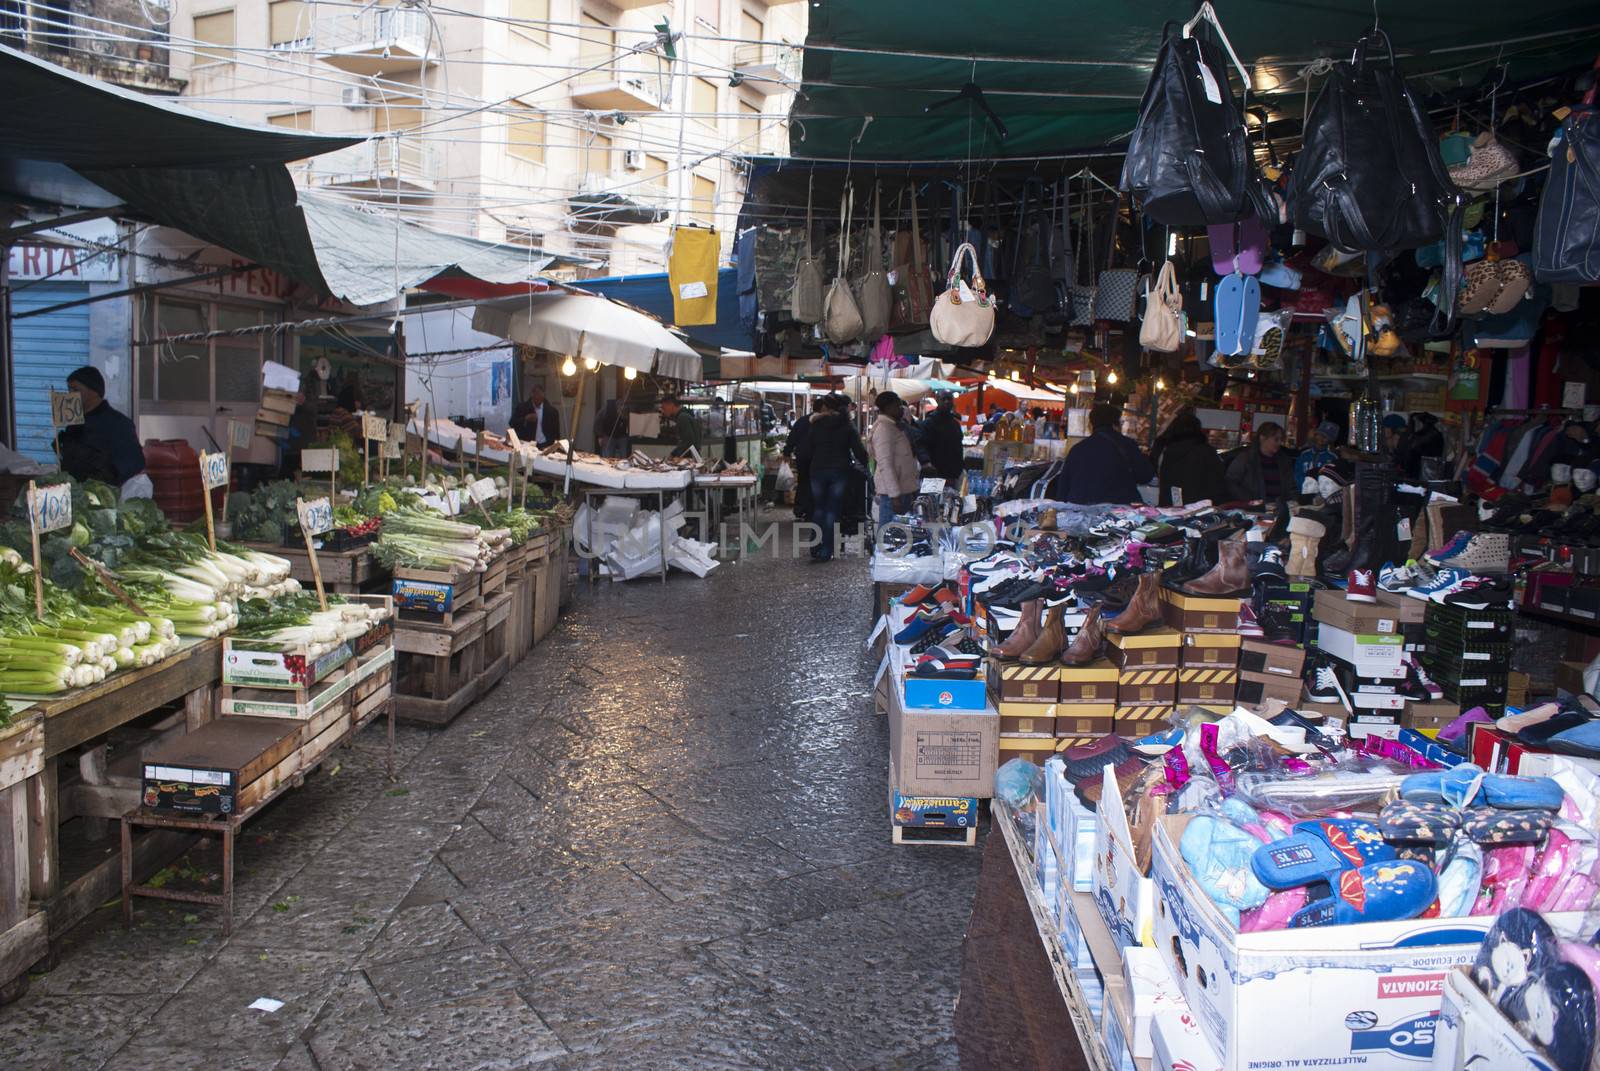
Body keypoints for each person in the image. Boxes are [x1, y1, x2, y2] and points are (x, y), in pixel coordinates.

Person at [58, 366, 150, 500]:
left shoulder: (119, 424)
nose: (70, 395)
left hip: (105, 500)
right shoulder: (74, 424)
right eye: (69, 389)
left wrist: (104, 478)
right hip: (76, 497)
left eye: (76, 390)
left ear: (94, 391)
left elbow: (134, 463)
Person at [798, 395, 867, 561]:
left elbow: (807, 449)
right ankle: (826, 549)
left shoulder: (816, 424)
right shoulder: (847, 425)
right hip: (839, 471)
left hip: (817, 470)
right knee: (832, 509)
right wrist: (864, 464)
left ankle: (815, 546)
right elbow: (859, 451)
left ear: (826, 407)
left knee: (819, 508)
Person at [1048, 404, 1155, 504]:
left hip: (1081, 511)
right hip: (1118, 512)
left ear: (1090, 425)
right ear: (1116, 424)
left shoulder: (1077, 449)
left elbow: (1063, 488)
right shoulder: (1128, 445)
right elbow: (1145, 476)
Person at [1150, 408, 1230, 507]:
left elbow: (1152, 470)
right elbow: (1218, 482)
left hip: (1168, 504)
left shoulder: (1162, 447)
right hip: (1199, 506)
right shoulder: (1206, 451)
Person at [868, 392, 920, 524]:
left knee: (899, 533)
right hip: (893, 493)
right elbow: (885, 464)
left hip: (902, 489)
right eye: (897, 406)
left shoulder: (894, 426)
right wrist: (894, 495)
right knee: (888, 534)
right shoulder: (884, 429)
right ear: (888, 408)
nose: (901, 409)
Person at [1226, 421, 1293, 504]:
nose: (1279, 443)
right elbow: (1231, 482)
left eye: (1281, 439)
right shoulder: (1245, 459)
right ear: (1262, 438)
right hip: (1254, 508)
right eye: (1276, 439)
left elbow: (1291, 486)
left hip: (1278, 508)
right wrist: (1249, 500)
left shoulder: (1284, 461)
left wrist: (1293, 501)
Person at [919, 391, 965, 484]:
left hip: (952, 474)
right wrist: (926, 461)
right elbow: (920, 445)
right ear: (937, 401)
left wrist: (959, 468)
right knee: (932, 498)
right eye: (943, 399)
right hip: (933, 473)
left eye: (949, 399)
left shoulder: (955, 424)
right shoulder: (928, 423)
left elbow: (958, 446)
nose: (947, 401)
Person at [783, 401, 814, 520]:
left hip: (802, 457)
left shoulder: (802, 421)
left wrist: (787, 452)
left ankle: (800, 509)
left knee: (803, 482)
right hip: (815, 458)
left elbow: (792, 437)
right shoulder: (820, 421)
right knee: (811, 483)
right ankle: (809, 510)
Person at [1293, 420, 1340, 492]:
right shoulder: (1304, 455)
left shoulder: (1333, 458)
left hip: (1322, 496)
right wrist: (1306, 487)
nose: (1321, 438)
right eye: (1320, 434)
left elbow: (1332, 480)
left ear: (1331, 440)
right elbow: (1297, 474)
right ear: (1316, 434)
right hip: (1303, 492)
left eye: (1326, 437)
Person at [511, 383, 561, 448]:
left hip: (545, 444)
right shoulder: (522, 408)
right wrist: (525, 418)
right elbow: (512, 423)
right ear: (532, 395)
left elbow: (556, 433)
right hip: (527, 444)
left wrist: (555, 446)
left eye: (540, 395)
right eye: (535, 395)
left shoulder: (552, 412)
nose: (537, 398)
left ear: (543, 395)